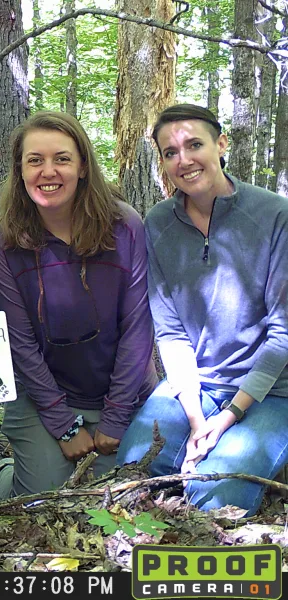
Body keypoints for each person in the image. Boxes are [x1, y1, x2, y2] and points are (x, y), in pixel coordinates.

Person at [117, 104, 288, 515]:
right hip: (197, 385)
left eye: (195, 145)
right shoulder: (157, 223)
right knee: (131, 476)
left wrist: (227, 417)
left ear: (221, 144)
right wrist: (196, 418)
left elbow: (283, 332)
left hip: (272, 390)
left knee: (215, 498)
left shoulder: (274, 215)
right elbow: (171, 333)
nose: (184, 160)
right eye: (170, 152)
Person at [0, 111, 159, 498]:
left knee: (119, 498)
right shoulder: (4, 241)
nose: (49, 171)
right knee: (42, 504)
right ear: (20, 170)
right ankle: (8, 471)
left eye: (62, 158)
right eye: (35, 160)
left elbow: (137, 327)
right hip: (46, 396)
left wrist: (114, 419)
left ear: (82, 166)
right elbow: (21, 341)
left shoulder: (124, 225)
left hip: (126, 393)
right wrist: (63, 422)